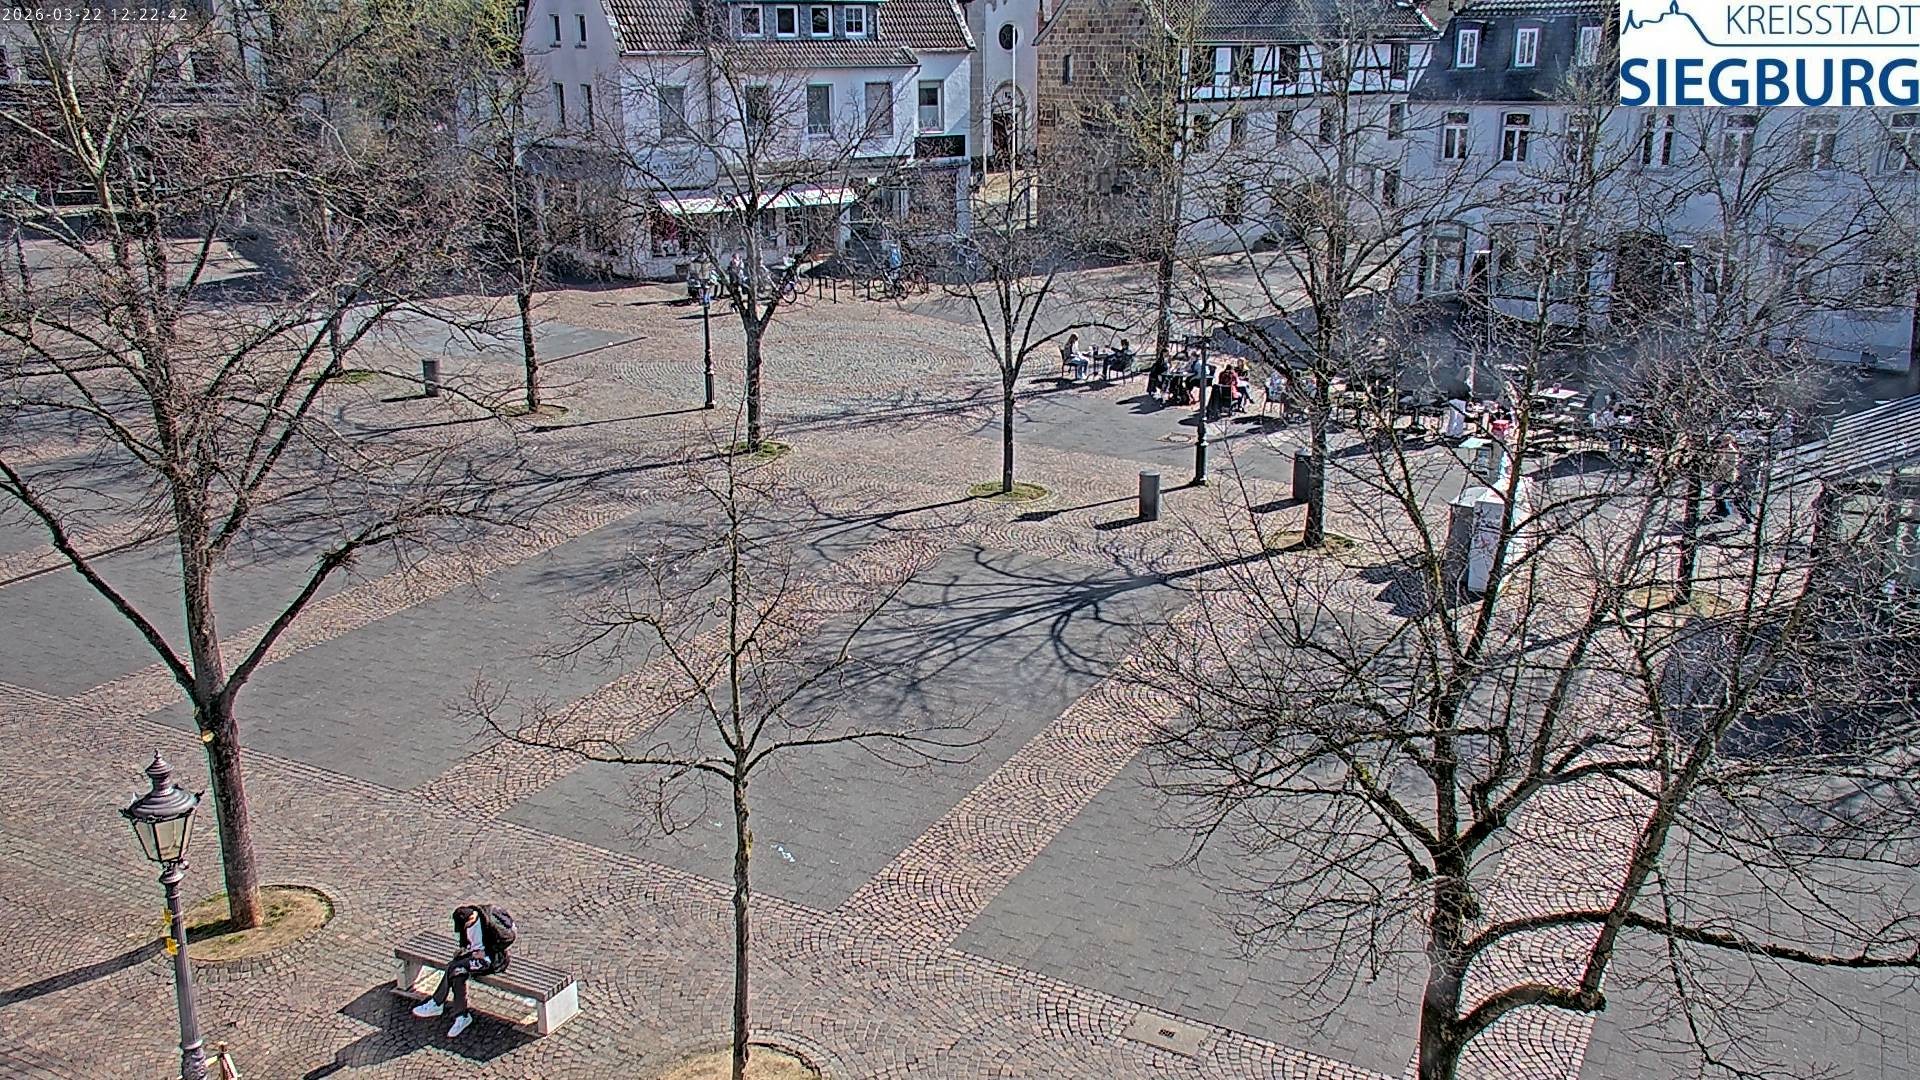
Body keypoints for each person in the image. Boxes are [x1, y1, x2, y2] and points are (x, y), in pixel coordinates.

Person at [412, 905, 513, 1038]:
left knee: (454, 967)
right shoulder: (463, 921)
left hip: (491, 961)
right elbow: (465, 941)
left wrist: (486, 952)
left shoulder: (490, 922)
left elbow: (509, 937)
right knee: (457, 973)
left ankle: (437, 1003)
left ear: (471, 918)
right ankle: (461, 1016)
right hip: (472, 956)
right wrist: (463, 949)